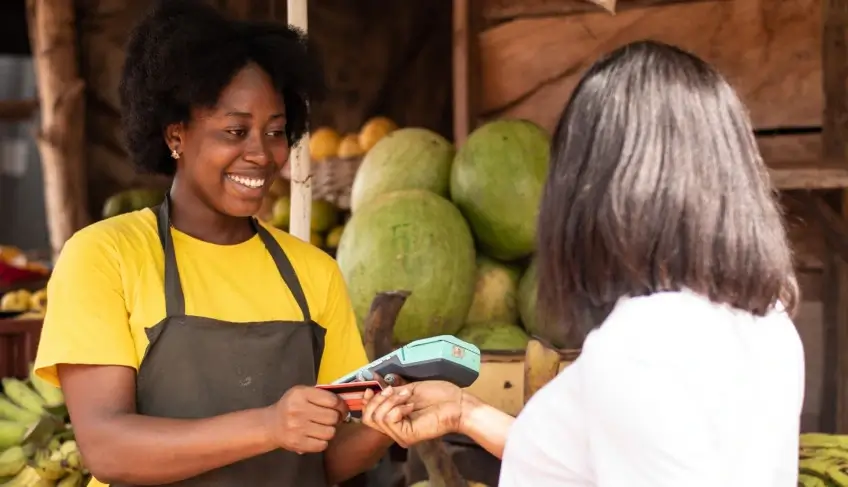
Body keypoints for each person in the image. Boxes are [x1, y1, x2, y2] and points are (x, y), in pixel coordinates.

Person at [360, 40, 805, 487]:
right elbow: (597, 465)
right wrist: (466, 412)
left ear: (600, 186)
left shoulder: (638, 344)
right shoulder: (769, 320)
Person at [32, 1, 395, 486]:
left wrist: (382, 427)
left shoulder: (313, 272)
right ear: (176, 134)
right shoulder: (105, 256)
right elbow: (107, 447)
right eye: (235, 130)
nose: (261, 154)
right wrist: (268, 425)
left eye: (274, 131)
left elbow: (322, 462)